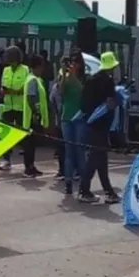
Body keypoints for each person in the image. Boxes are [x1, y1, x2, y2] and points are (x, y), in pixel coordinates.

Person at [77, 51, 121, 204]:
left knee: (101, 159)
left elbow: (83, 104)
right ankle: (84, 190)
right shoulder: (108, 82)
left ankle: (108, 192)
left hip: (91, 123)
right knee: (96, 158)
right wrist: (118, 99)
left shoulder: (90, 81)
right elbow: (110, 103)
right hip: (102, 125)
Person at [58, 53, 85, 192]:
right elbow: (61, 92)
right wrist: (63, 74)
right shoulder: (65, 78)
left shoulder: (83, 78)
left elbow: (83, 92)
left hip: (79, 118)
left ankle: (83, 183)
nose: (73, 66)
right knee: (69, 151)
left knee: (80, 150)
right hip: (66, 118)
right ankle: (68, 181)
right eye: (71, 63)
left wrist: (73, 76)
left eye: (75, 63)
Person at [0, 46, 29, 171]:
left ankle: (28, 162)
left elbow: (25, 88)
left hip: (20, 107)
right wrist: (3, 91)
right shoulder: (5, 70)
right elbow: (2, 86)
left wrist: (13, 91)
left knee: (23, 135)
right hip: (8, 106)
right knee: (6, 135)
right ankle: (6, 160)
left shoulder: (25, 70)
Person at [20, 55, 48, 177]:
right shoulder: (32, 80)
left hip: (32, 117)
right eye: (41, 66)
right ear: (37, 67)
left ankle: (31, 166)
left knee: (32, 144)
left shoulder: (36, 79)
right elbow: (31, 97)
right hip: (32, 118)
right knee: (30, 144)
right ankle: (28, 167)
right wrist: (36, 113)